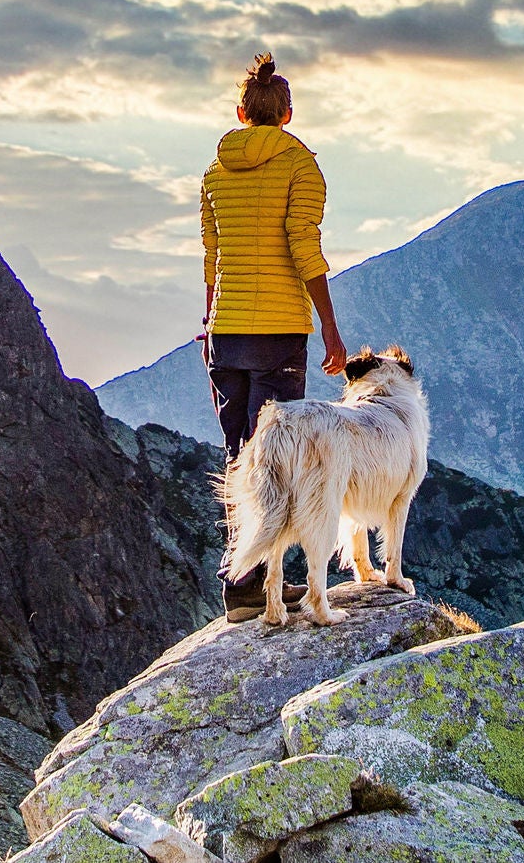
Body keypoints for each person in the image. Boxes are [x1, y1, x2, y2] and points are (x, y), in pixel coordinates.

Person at [200, 52, 347, 621]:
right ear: (287, 113)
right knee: (277, 457)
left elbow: (212, 257)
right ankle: (260, 585)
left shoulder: (215, 173)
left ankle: (239, 587)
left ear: (242, 112)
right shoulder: (300, 167)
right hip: (279, 328)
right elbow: (301, 245)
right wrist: (331, 331)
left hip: (227, 332)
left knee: (240, 453)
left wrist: (209, 322)